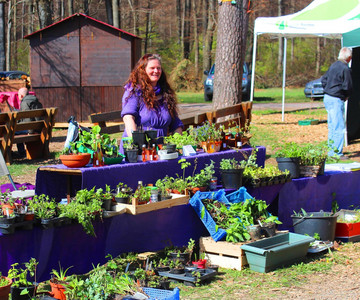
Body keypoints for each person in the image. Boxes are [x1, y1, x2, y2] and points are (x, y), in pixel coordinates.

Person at [120, 53, 183, 152]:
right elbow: (128, 118)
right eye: (152, 68)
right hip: (137, 150)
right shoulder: (134, 92)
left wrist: (177, 145)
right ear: (143, 70)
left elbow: (176, 124)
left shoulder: (166, 93)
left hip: (160, 150)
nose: (156, 71)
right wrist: (138, 144)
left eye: (158, 68)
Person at [321, 47, 353, 159]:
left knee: (332, 126)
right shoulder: (345, 69)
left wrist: (328, 89)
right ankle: (337, 153)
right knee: (339, 126)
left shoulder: (333, 66)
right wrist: (345, 96)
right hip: (336, 98)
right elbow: (347, 86)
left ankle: (331, 151)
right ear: (349, 58)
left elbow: (323, 80)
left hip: (327, 97)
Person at [15, 87, 43, 157]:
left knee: (14, 132)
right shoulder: (37, 101)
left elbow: (27, 118)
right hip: (39, 128)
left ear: (21, 96)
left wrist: (30, 132)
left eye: (18, 95)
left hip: (31, 129)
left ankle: (21, 153)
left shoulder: (24, 103)